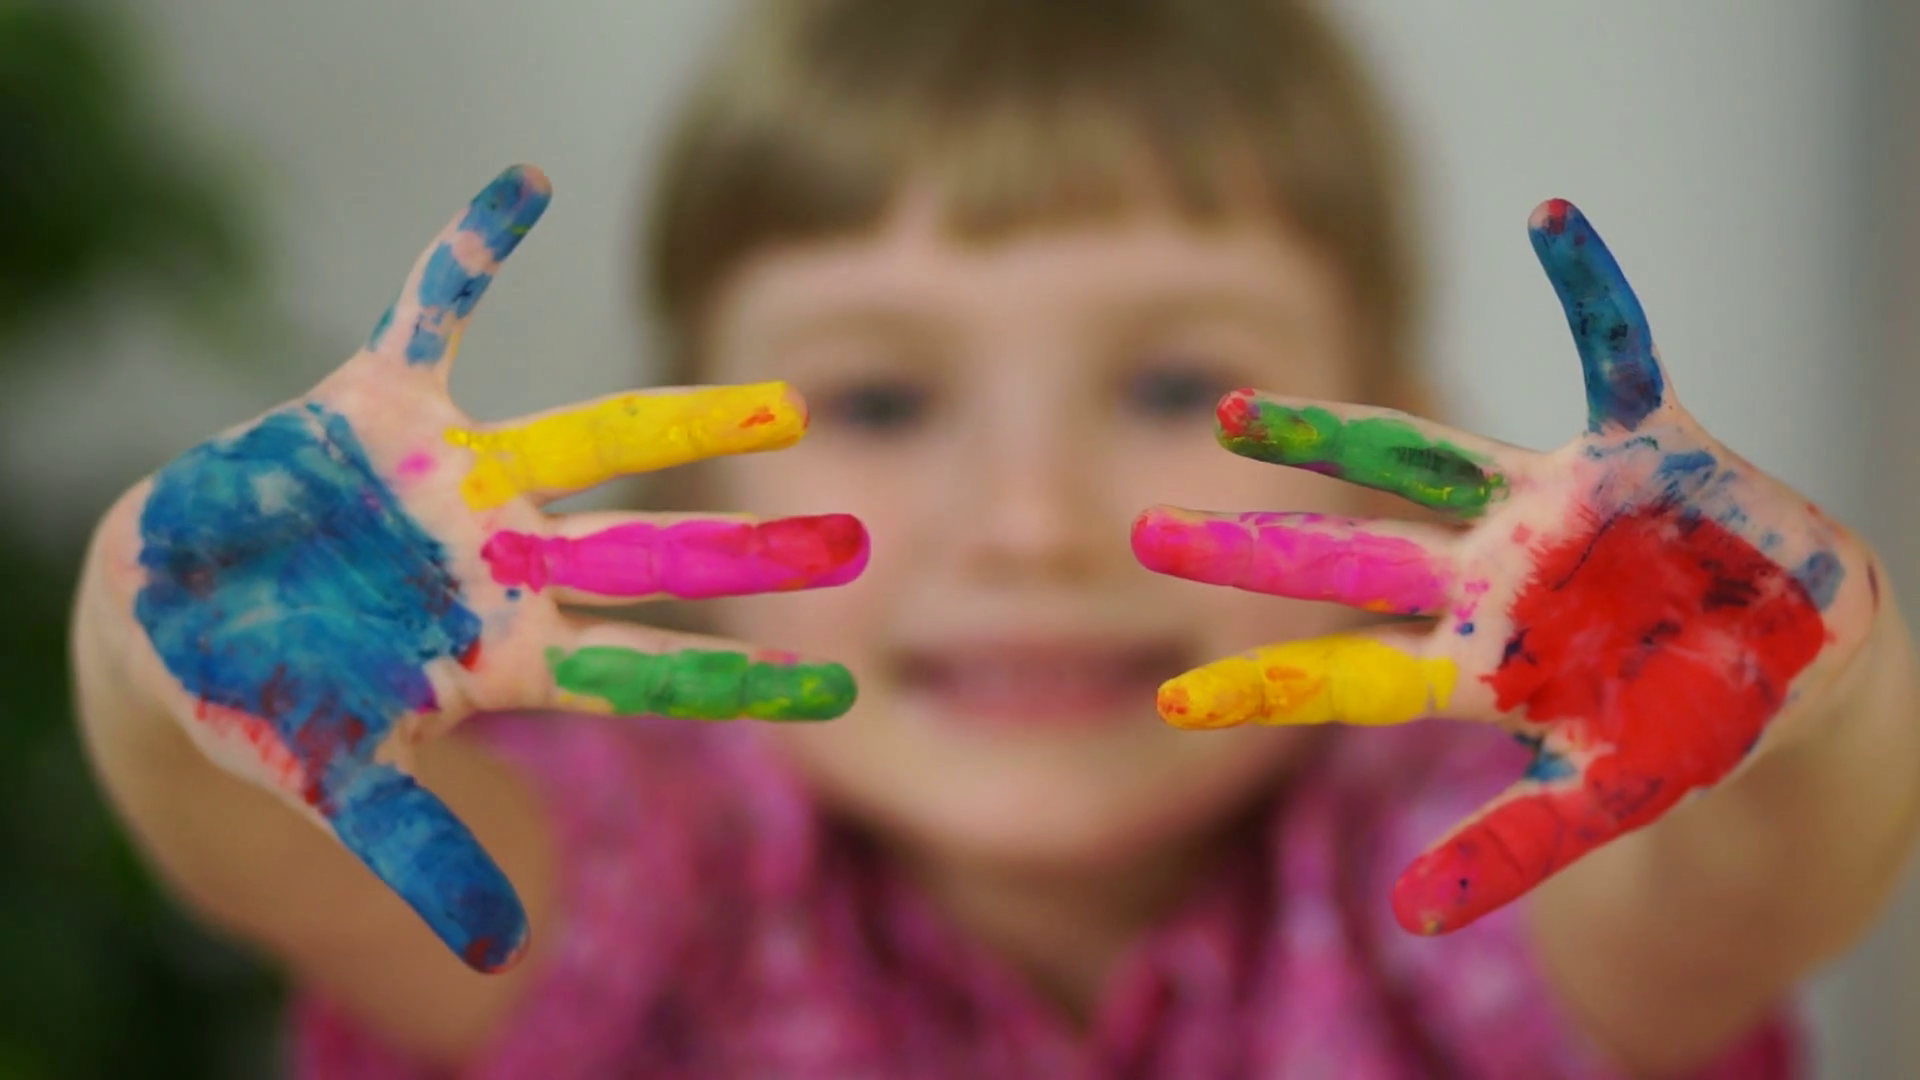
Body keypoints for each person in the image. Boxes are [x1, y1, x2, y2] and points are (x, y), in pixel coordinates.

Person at [71, 1, 1920, 1076]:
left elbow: (1722, 909)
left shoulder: (1437, 850)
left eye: (1176, 386)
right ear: (682, 480)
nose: (1035, 525)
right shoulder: (667, 861)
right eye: (883, 402)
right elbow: (301, 868)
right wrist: (171, 656)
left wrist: (1799, 699)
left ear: (1405, 463)